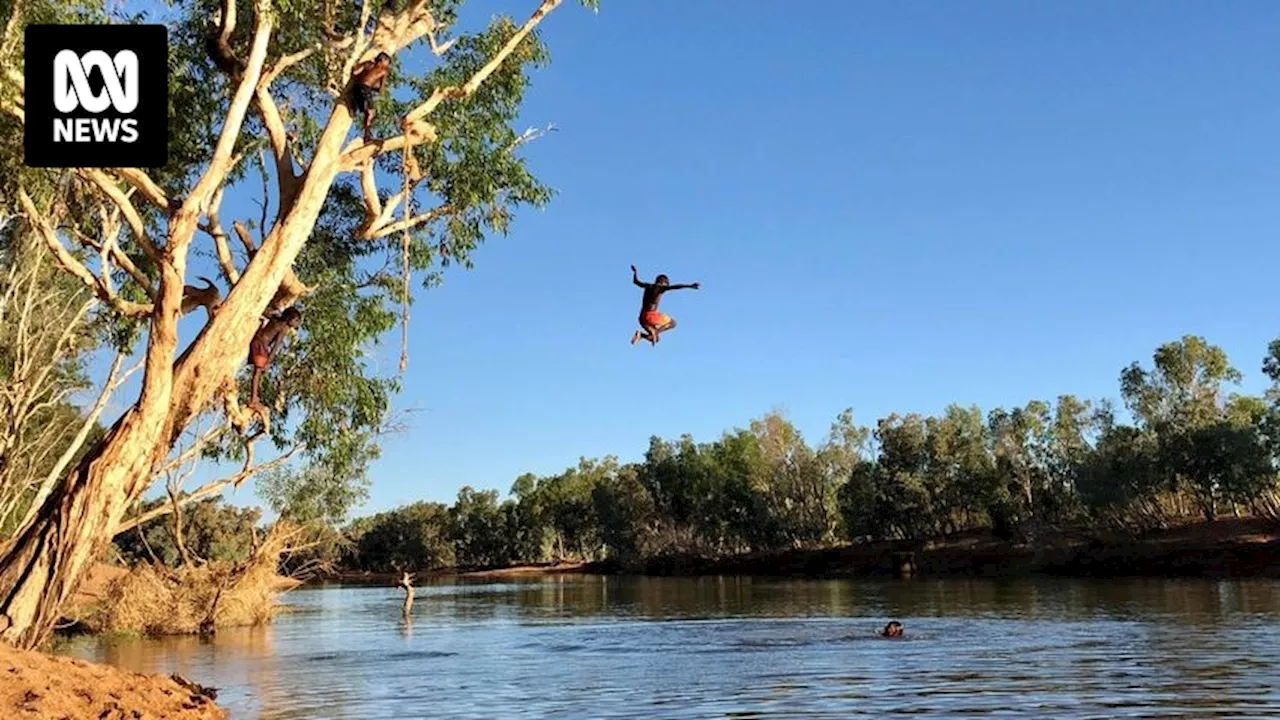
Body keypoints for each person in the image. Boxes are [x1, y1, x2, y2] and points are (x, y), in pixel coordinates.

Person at [629, 265, 700, 346]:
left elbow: (636, 282)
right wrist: (690, 285)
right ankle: (655, 331)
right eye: (666, 284)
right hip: (650, 316)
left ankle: (641, 335)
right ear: (663, 282)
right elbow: (675, 287)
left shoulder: (647, 286)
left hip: (642, 319)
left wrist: (635, 272)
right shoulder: (660, 287)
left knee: (656, 339)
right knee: (673, 323)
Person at [247, 307, 302, 410]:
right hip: (262, 345)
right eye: (296, 320)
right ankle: (253, 399)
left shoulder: (275, 318)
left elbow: (265, 312)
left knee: (257, 373)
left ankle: (254, 397)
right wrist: (268, 363)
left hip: (256, 340)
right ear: (290, 318)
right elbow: (275, 347)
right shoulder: (284, 328)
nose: (297, 324)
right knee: (257, 373)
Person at [350, 52, 391, 141]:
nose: (388, 64)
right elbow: (381, 88)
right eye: (387, 62)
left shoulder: (368, 63)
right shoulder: (384, 70)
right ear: (383, 60)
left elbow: (355, 71)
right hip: (365, 89)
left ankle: (353, 104)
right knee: (371, 113)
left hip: (355, 88)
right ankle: (367, 135)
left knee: (364, 110)